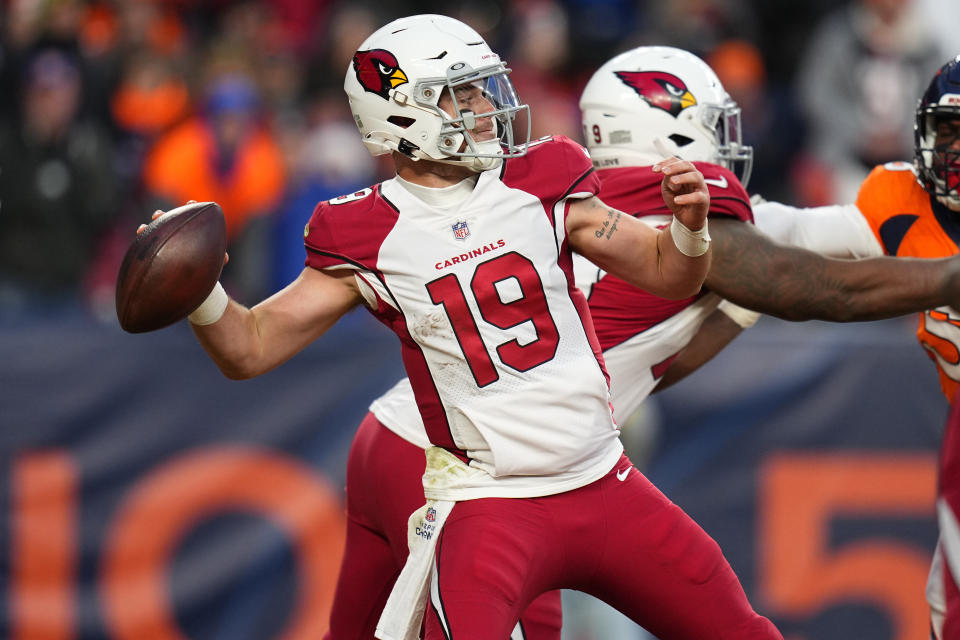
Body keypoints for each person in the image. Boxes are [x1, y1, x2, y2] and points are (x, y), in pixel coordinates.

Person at [154, 15, 786, 640]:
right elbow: (250, 347)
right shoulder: (361, 232)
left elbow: (665, 272)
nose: (487, 105)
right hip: (489, 506)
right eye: (462, 92)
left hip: (604, 479)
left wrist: (690, 229)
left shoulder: (544, 176)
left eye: (484, 86)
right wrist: (199, 291)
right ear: (402, 115)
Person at [323, 46, 960, 639]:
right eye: (712, 123)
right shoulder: (668, 213)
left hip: (394, 436)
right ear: (666, 130)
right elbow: (815, 286)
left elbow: (648, 359)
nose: (729, 145)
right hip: (475, 473)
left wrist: (734, 314)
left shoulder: (571, 203)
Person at [744, 54, 960, 640]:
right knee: (946, 602)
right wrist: (720, 207)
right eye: (952, 132)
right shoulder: (903, 206)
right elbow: (798, 235)